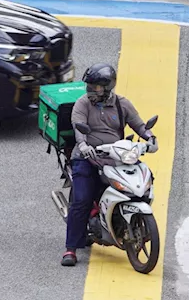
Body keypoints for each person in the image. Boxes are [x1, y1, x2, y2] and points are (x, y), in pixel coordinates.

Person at [62, 63, 156, 266]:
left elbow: (139, 125)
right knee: (82, 199)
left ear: (107, 87)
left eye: (95, 87)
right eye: (88, 86)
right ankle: (70, 248)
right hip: (87, 157)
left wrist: (150, 138)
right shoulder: (82, 103)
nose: (90, 91)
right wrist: (84, 145)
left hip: (116, 156)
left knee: (140, 184)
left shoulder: (122, 104)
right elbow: (78, 128)